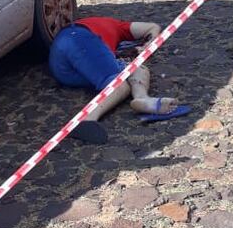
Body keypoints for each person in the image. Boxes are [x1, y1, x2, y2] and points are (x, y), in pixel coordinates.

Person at [49, 15, 178, 143]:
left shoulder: (103, 32)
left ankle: (142, 98)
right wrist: (150, 43)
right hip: (78, 38)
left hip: (63, 68)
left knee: (136, 69)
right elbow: (152, 27)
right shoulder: (117, 26)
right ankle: (86, 119)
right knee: (118, 83)